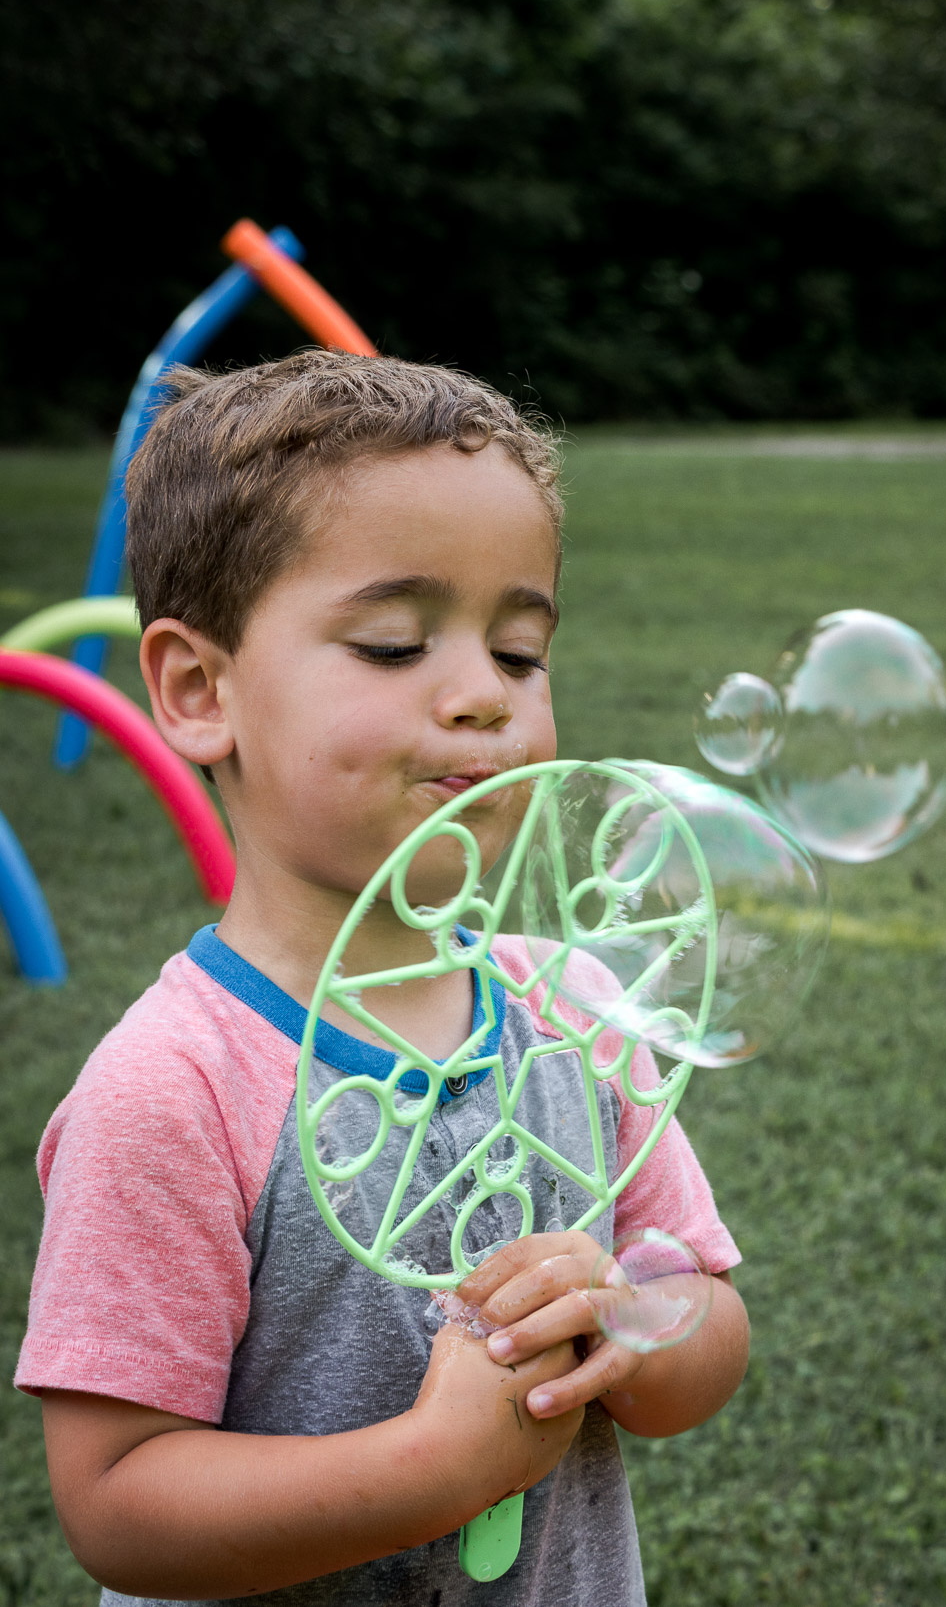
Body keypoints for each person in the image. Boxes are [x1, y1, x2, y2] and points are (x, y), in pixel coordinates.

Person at [16, 351, 750, 1606]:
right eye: (394, 642)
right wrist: (429, 1468)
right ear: (200, 691)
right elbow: (117, 1502)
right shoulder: (173, 1087)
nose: (480, 697)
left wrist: (625, 1322)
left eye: (519, 654)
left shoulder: (573, 1008)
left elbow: (708, 1325)